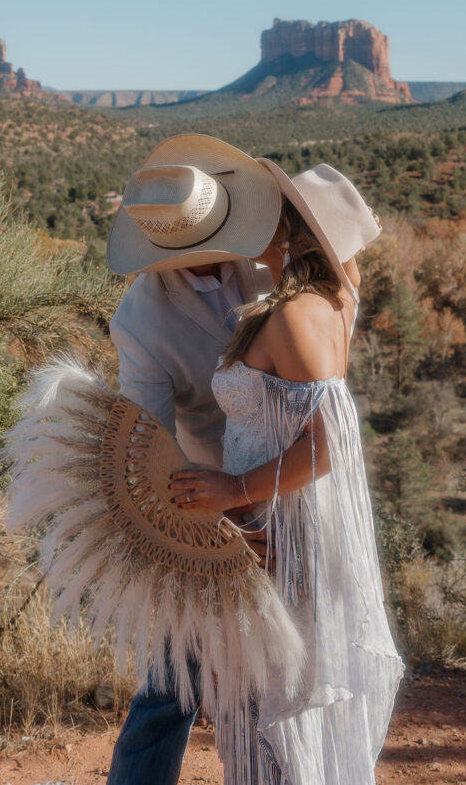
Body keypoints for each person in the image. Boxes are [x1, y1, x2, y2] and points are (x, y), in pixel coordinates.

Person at [170, 161, 404, 785]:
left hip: (282, 533)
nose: (256, 220)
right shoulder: (333, 300)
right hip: (283, 524)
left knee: (270, 706)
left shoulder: (297, 314)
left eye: (273, 212)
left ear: (297, 235)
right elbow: (350, 272)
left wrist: (235, 491)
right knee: (277, 703)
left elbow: (333, 444)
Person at [104, 134, 282, 785]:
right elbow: (151, 445)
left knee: (285, 677)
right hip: (204, 500)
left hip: (295, 479)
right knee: (168, 680)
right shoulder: (138, 322)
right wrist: (221, 524)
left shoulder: (273, 261)